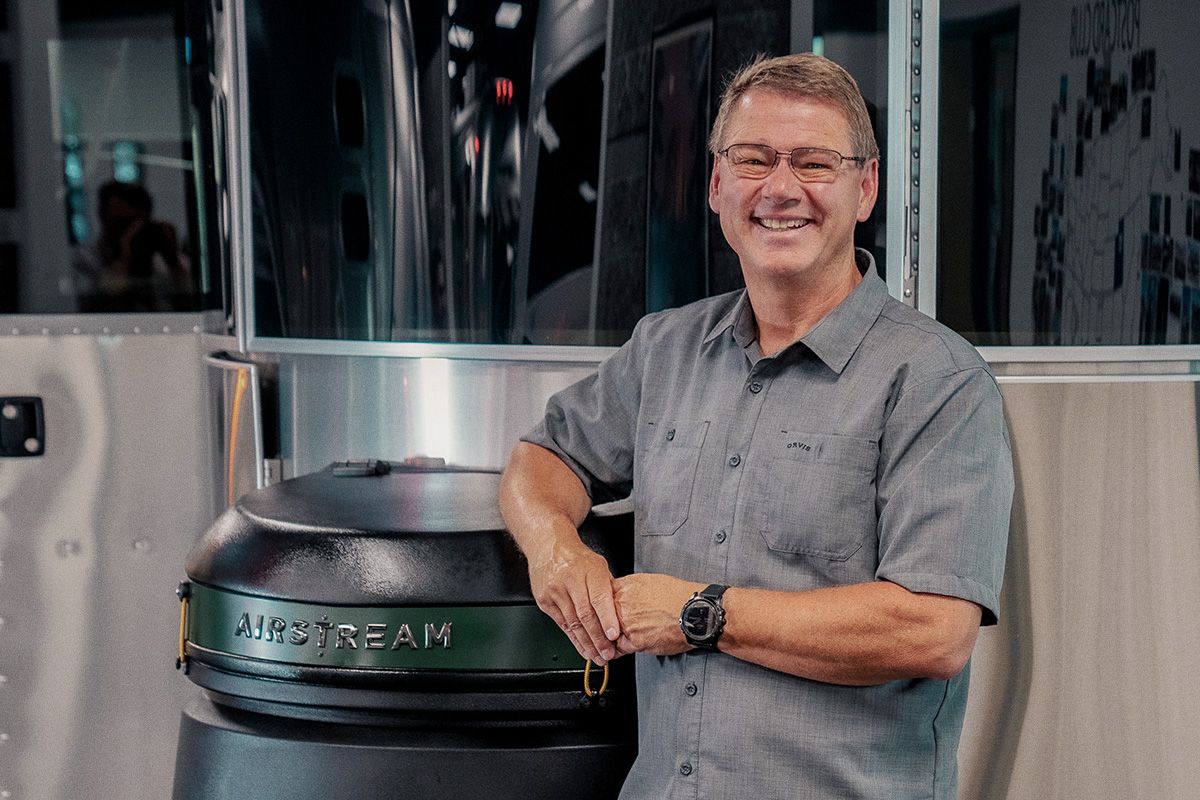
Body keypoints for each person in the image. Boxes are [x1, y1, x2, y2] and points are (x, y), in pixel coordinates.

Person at [499, 53, 1013, 800]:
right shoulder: (665, 350)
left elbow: (931, 629)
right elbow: (543, 456)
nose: (780, 188)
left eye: (814, 163)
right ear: (716, 184)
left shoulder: (937, 381)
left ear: (865, 188)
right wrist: (554, 552)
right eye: (753, 159)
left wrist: (698, 613)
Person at [73, 180, 191, 312]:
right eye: (122, 223)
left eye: (137, 223)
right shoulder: (85, 259)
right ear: (102, 216)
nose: (131, 231)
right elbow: (93, 304)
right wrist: (124, 258)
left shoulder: (161, 262)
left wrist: (173, 261)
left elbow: (194, 301)